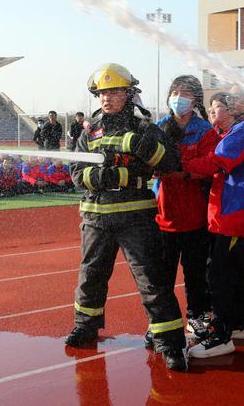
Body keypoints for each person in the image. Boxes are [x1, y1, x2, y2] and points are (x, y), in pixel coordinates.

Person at [67, 62, 187, 372]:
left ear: (129, 94)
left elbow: (171, 161)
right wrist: (107, 176)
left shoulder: (144, 128)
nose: (107, 98)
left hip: (135, 217)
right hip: (95, 217)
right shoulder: (89, 131)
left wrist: (138, 146)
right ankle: (86, 326)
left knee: (152, 281)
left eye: (114, 91)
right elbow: (77, 176)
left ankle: (169, 342)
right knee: (90, 277)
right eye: (102, 93)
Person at [182, 89, 244, 359]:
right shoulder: (241, 130)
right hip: (230, 212)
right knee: (233, 270)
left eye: (232, 98)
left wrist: (181, 164)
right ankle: (240, 323)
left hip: (235, 213)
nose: (226, 103)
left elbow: (217, 161)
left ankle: (221, 335)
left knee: (220, 274)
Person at [154, 75, 219, 339]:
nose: (178, 98)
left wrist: (178, 169)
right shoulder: (158, 128)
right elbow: (151, 164)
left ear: (195, 100)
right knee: (162, 276)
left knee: (195, 275)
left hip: (195, 217)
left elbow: (209, 167)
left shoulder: (205, 131)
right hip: (164, 216)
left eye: (185, 94)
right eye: (175, 92)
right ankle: (161, 324)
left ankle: (197, 318)